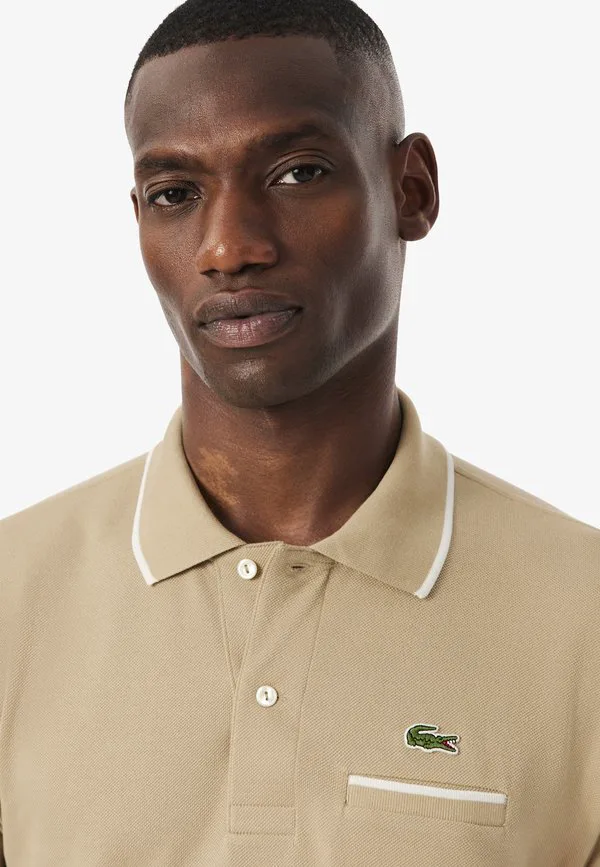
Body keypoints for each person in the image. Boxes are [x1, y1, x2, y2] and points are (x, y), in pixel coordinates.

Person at [0, 0, 598, 864]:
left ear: (412, 190)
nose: (228, 247)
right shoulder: (13, 597)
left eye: (296, 173)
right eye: (175, 194)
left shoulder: (584, 615)